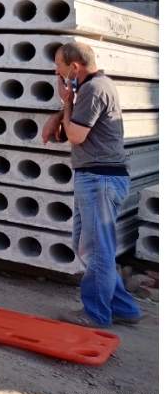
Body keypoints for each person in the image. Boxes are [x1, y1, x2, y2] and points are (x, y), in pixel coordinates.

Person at [41, 41, 141, 328]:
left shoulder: (94, 89)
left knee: (96, 249)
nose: (56, 73)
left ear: (74, 67)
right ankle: (123, 307)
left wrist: (66, 105)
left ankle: (96, 314)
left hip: (100, 179)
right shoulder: (91, 88)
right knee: (86, 246)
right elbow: (72, 131)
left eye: (59, 67)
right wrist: (60, 113)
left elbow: (76, 135)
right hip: (96, 177)